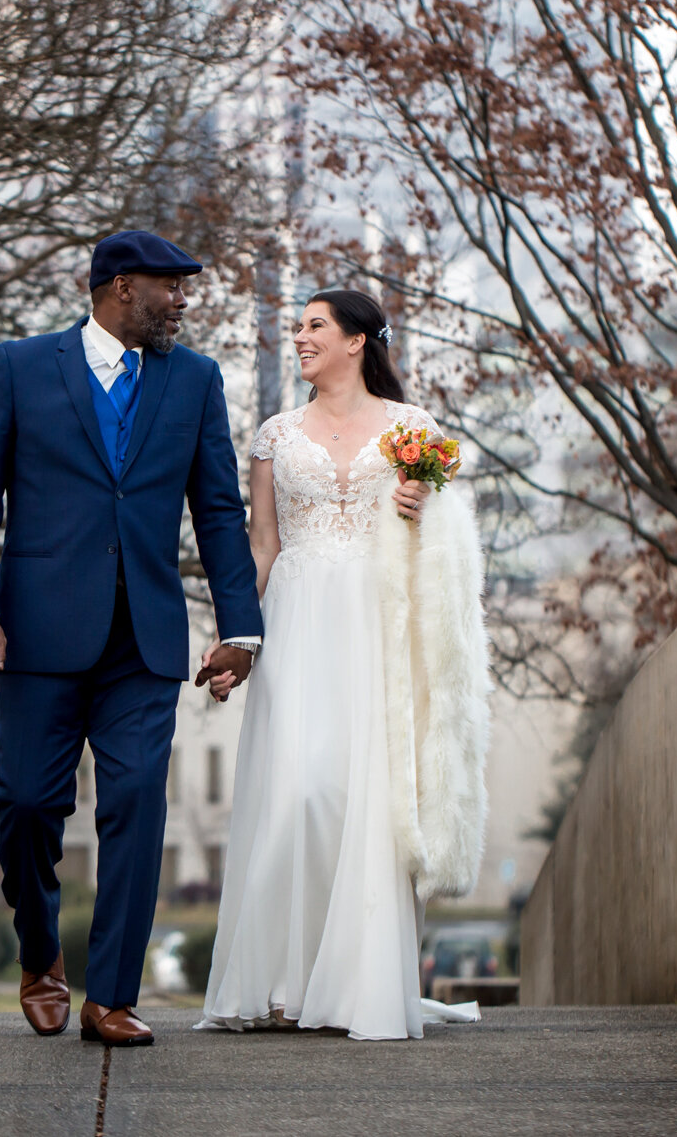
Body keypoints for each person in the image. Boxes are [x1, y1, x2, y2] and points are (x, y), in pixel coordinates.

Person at [0, 230, 263, 1048]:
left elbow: (219, 510)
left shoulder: (194, 380)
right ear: (122, 287)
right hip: (39, 633)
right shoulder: (19, 366)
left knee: (133, 804)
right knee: (25, 805)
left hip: (146, 642)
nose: (184, 301)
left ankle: (112, 995)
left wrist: (241, 629)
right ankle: (41, 953)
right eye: (172, 286)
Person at [200, 288, 492, 1041]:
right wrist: (239, 640)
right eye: (297, 327)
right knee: (298, 790)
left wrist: (424, 506)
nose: (299, 337)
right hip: (296, 620)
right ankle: (281, 981)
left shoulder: (413, 429)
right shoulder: (273, 434)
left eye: (314, 326)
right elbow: (261, 546)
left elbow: (451, 544)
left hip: (376, 624)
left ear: (357, 340)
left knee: (364, 799)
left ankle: (356, 984)